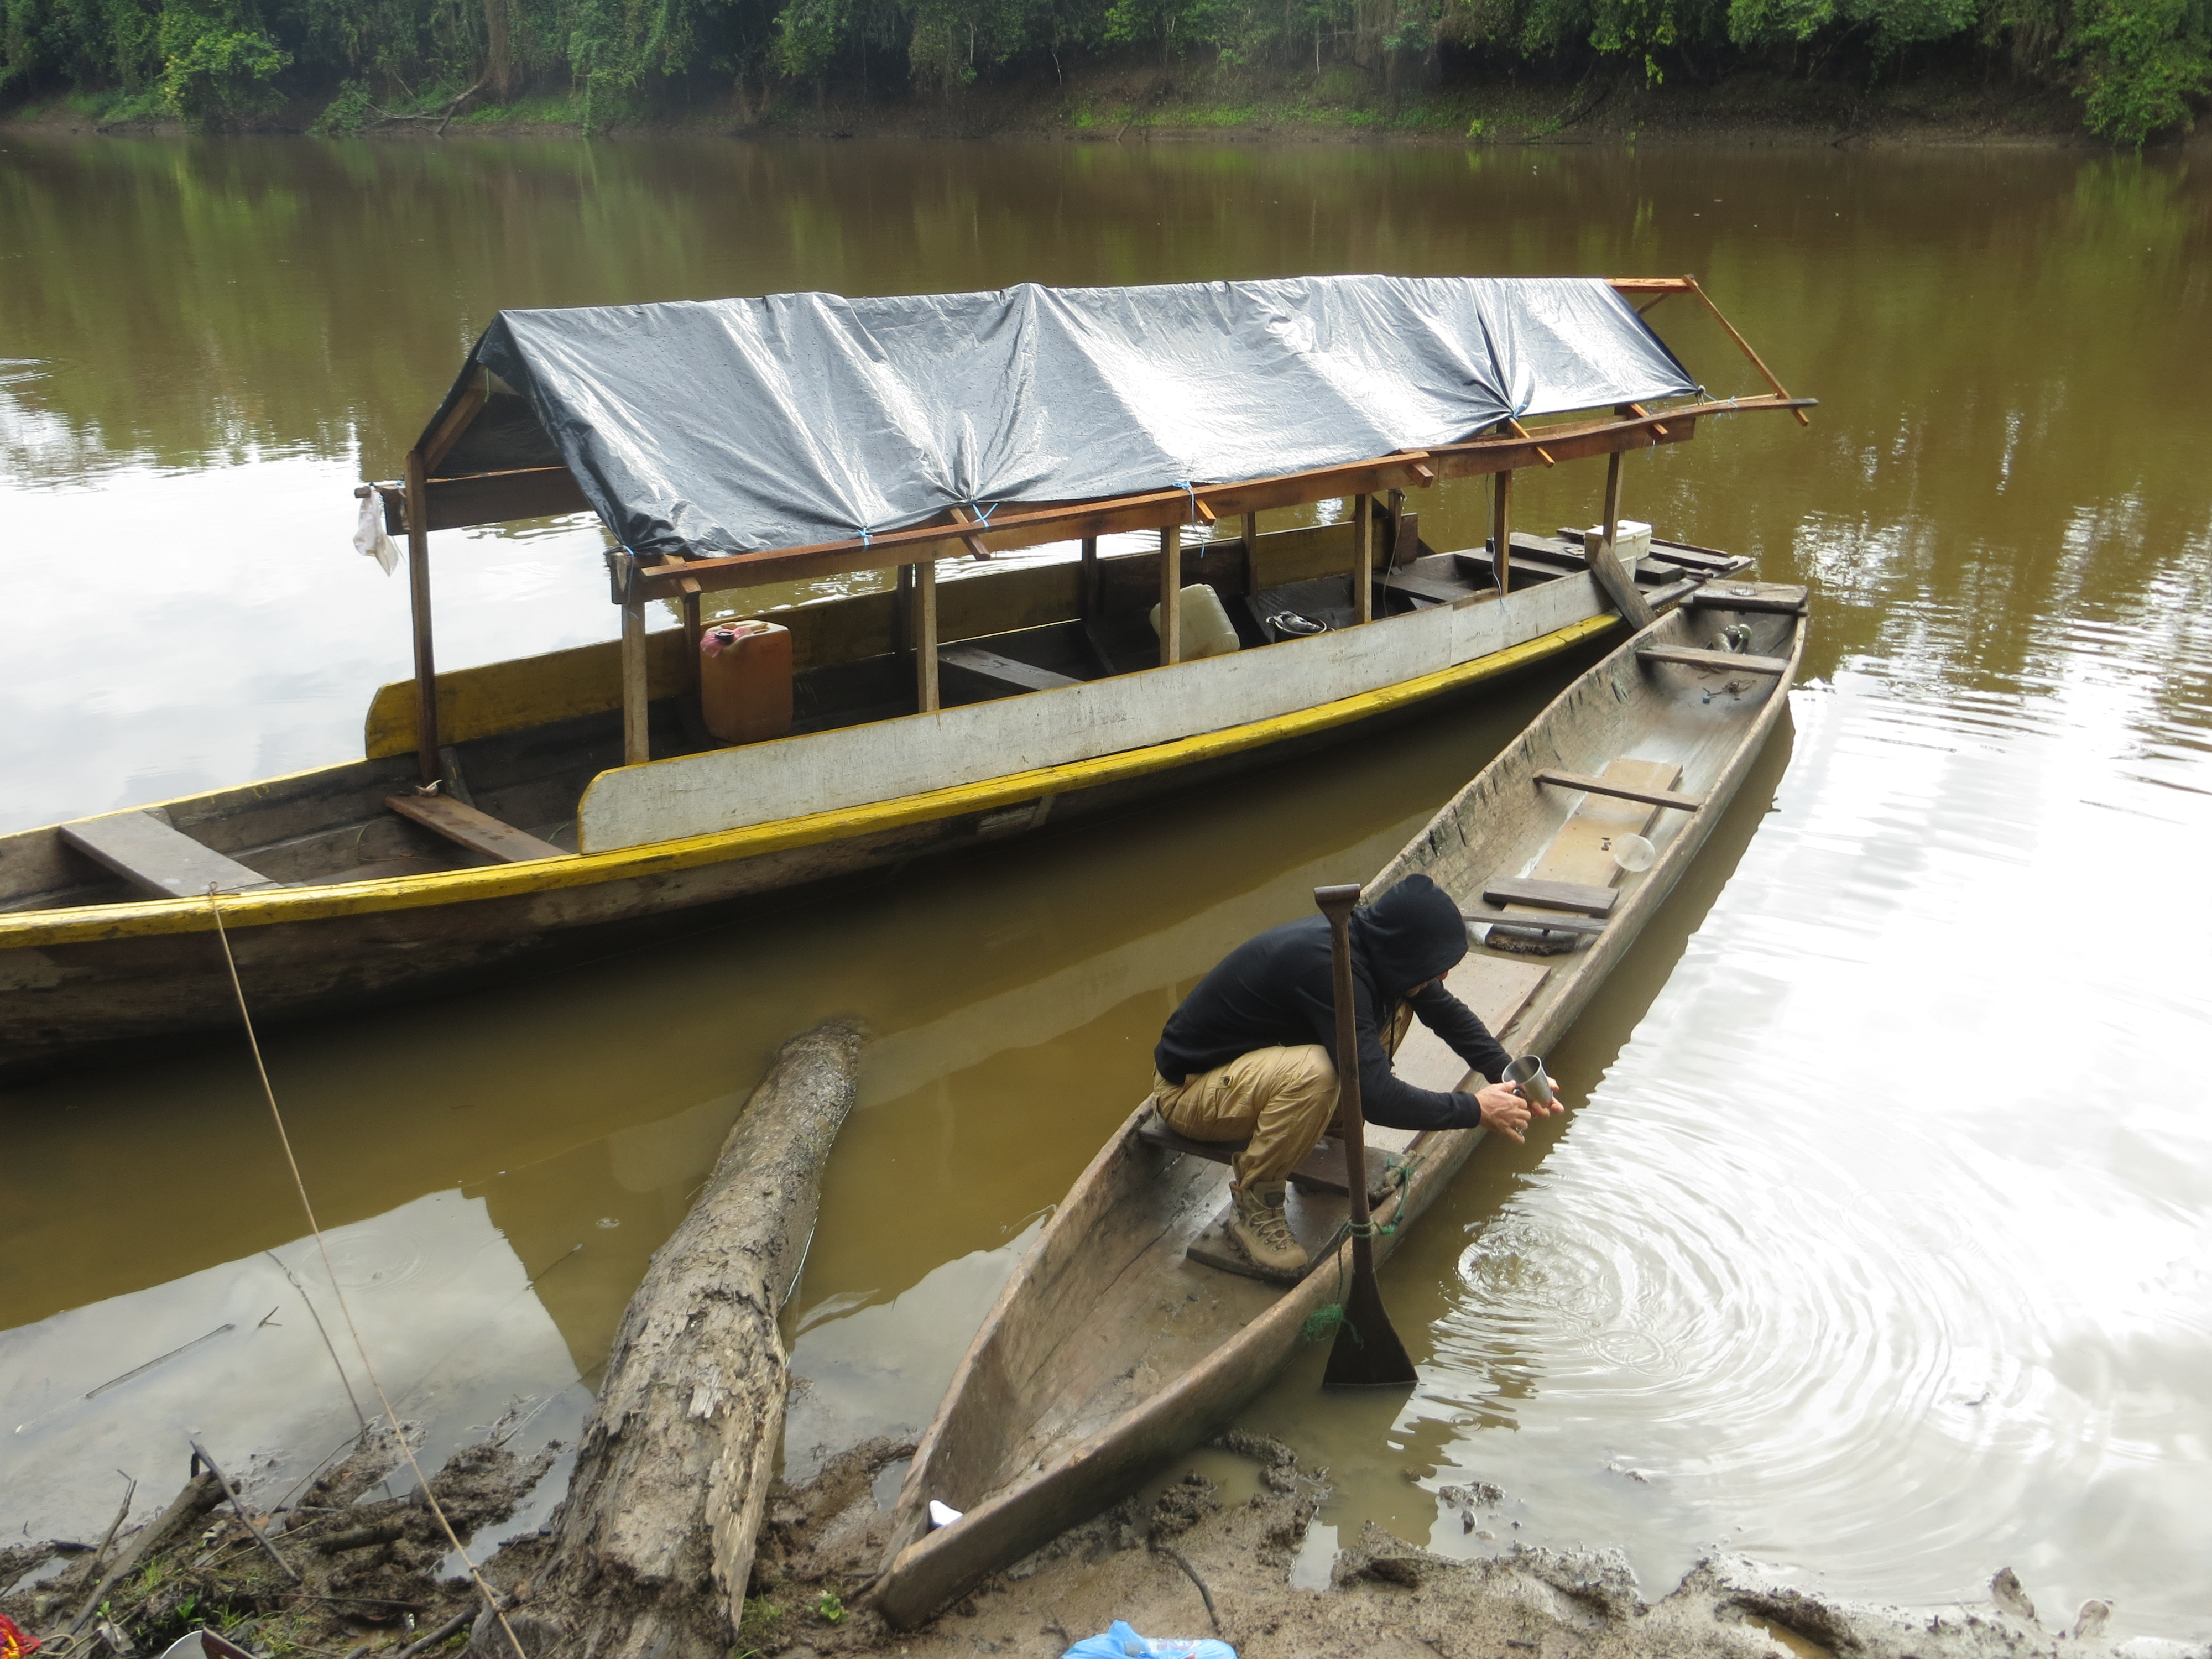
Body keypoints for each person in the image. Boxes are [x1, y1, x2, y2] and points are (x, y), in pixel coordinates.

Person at [1149, 873, 1564, 1275]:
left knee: (1401, 1005)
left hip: (1246, 1071)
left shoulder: (1382, 951)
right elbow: (1377, 1100)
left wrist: (1509, 1075)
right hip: (1190, 1094)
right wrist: (1474, 1109)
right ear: (1406, 949)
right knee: (1324, 1071)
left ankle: (1326, 1136)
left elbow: (1449, 1016)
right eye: (1437, 964)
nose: (1444, 974)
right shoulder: (1330, 967)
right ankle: (1254, 1206)